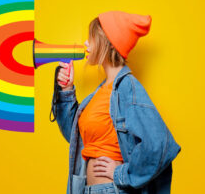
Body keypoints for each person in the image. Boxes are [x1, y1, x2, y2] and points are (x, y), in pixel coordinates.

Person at [54, 11, 181, 194]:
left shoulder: (128, 88)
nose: (86, 43)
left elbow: (158, 145)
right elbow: (75, 138)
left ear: (108, 43)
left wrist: (121, 173)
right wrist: (66, 90)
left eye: (91, 38)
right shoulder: (100, 93)